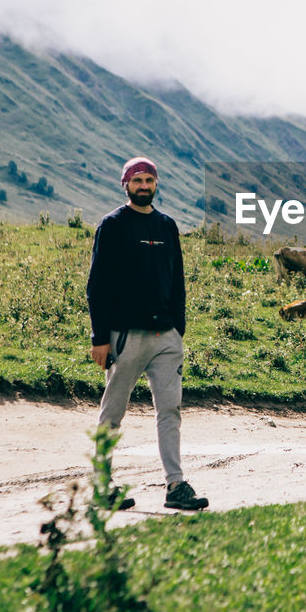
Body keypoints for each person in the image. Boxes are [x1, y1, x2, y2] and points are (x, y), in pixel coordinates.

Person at [86, 156, 208, 511]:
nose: (143, 186)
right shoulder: (112, 225)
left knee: (170, 410)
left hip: (166, 339)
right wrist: (100, 338)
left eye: (149, 180)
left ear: (156, 185)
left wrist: (178, 330)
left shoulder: (167, 226)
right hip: (126, 336)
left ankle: (175, 486)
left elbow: (178, 282)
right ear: (125, 184)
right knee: (113, 413)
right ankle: (102, 487)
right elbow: (98, 285)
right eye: (137, 180)